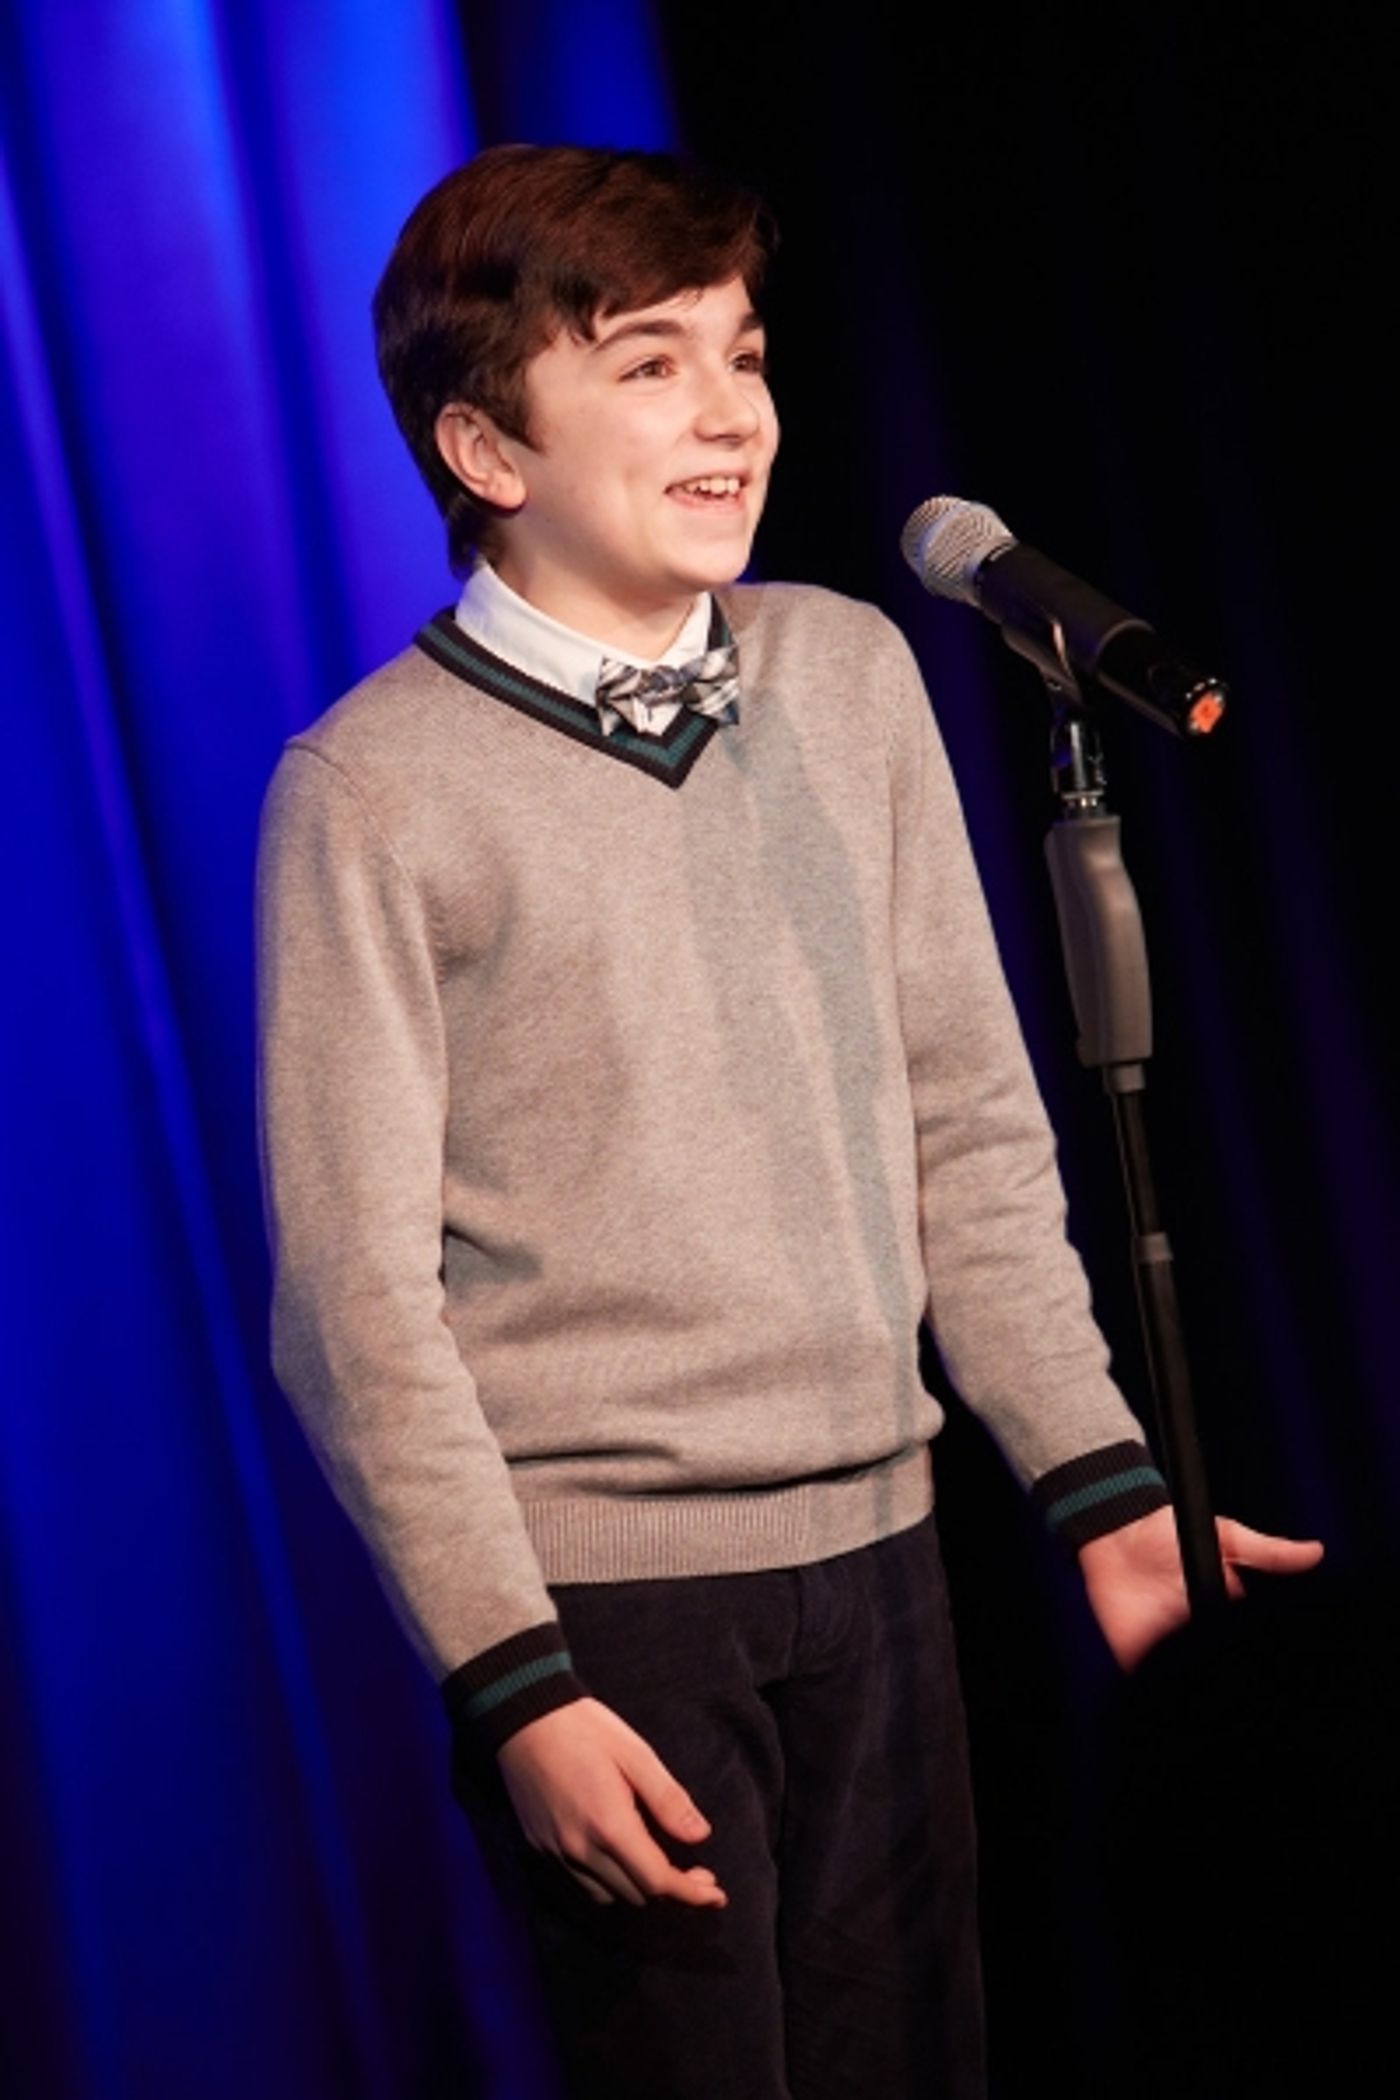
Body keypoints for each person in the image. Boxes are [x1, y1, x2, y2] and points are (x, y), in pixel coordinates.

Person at [255, 144, 1321, 2099]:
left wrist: (1097, 1488)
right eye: (650, 364)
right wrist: (515, 1687)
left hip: (889, 1561)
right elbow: (351, 1299)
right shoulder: (373, 791)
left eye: (742, 354)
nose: (731, 409)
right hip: (615, 1621)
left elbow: (970, 1131)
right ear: (487, 449)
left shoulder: (848, 675)